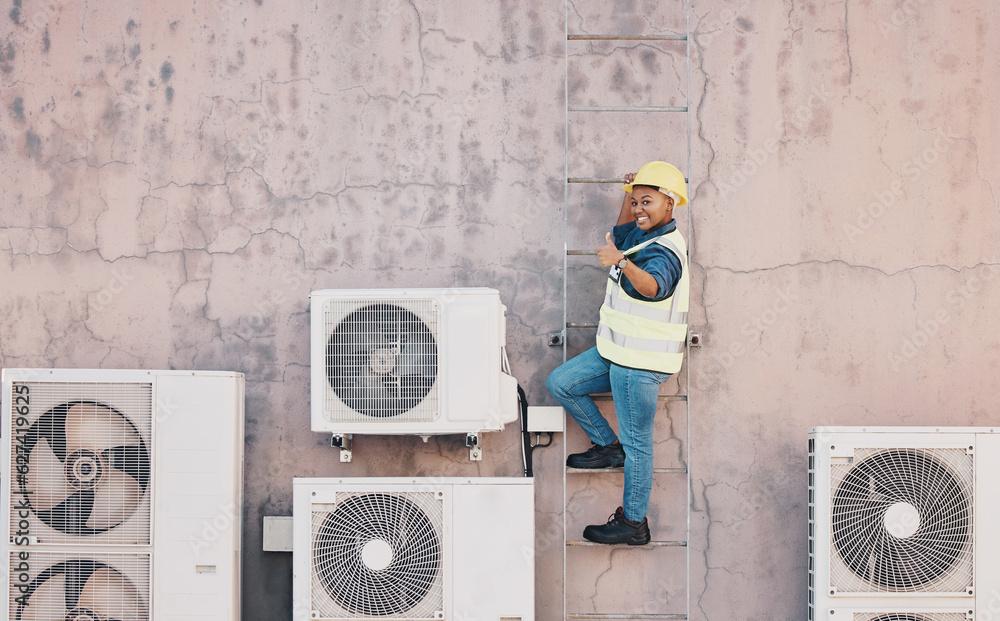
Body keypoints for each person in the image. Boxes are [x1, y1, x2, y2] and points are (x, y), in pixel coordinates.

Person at [546, 161, 689, 545]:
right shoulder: (642, 236)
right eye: (637, 201)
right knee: (561, 383)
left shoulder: (664, 252)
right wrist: (629, 194)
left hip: (640, 363)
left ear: (670, 205)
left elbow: (654, 287)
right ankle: (609, 448)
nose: (640, 209)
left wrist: (622, 263)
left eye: (648, 202)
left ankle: (633, 523)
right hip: (617, 351)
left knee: (638, 444)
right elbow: (624, 231)